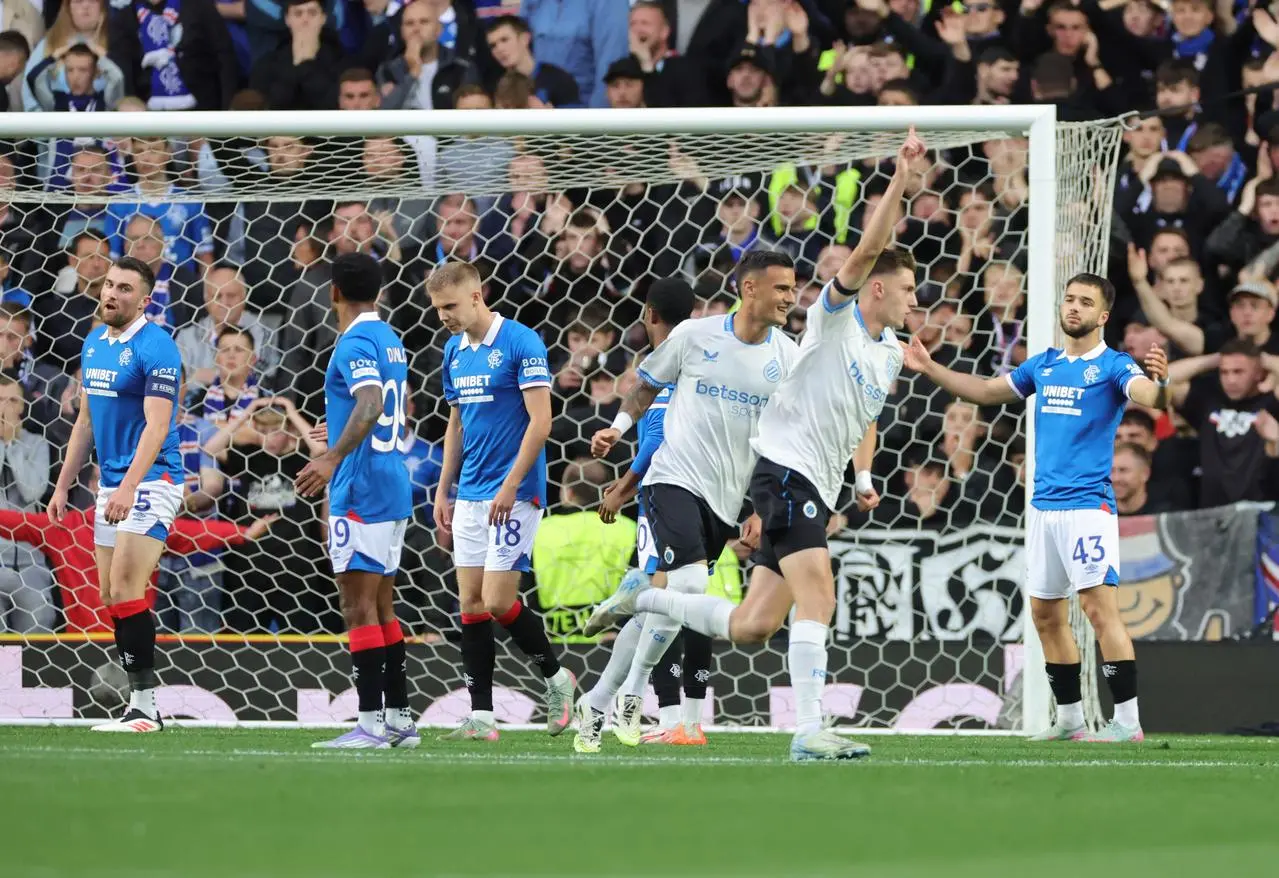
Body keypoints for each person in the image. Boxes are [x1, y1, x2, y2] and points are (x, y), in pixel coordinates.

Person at [584, 131, 924, 762]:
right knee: (819, 590)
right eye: (907, 289)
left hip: (806, 482)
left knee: (754, 624)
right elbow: (870, 246)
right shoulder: (832, 320)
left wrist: (864, 476)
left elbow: (863, 420)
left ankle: (644, 597)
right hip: (784, 473)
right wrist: (900, 179)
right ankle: (809, 730)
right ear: (875, 288)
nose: (915, 300)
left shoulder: (889, 356)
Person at [902, 272, 1172, 743]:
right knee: (1046, 615)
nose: (1073, 307)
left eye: (1085, 302)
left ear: (1102, 316)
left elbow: (1147, 397)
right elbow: (986, 392)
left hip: (1088, 507)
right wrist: (930, 368)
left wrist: (1161, 385)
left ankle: (1127, 721)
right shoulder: (1043, 365)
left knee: (1098, 609)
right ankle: (1070, 720)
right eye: (1069, 298)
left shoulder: (1113, 366)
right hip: (1043, 508)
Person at [577, 250, 801, 754]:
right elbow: (646, 386)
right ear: (750, 289)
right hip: (672, 478)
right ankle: (633, 693)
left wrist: (762, 508)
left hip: (724, 501)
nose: (791, 297)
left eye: (793, 288)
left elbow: (783, 439)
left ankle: (600, 696)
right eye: (782, 288)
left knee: (675, 599)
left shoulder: (786, 358)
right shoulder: (694, 336)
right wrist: (616, 429)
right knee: (691, 583)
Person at [428, 260, 575, 742]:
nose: (444, 316)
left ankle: (558, 680)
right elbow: (456, 423)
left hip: (516, 494)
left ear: (477, 296)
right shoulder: (453, 351)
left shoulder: (521, 342)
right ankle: (483, 718)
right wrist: (444, 488)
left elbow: (542, 422)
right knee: (470, 605)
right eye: (437, 308)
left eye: (450, 306)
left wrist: (511, 485)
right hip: (469, 493)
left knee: (496, 601)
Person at [46, 256, 185, 733]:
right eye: (108, 284)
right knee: (111, 594)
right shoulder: (93, 343)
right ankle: (139, 703)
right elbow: (84, 422)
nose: (111, 293)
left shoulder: (157, 347)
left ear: (144, 300)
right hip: (111, 485)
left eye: (124, 288)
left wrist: (128, 486)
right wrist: (63, 485)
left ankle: (145, 707)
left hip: (153, 480)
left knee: (126, 587)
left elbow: (158, 425)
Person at [293, 252, 416, 750]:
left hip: (360, 489)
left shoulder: (353, 341)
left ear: (333, 293)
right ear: (380, 291)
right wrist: (339, 432)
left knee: (357, 605)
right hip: (392, 482)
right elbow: (378, 408)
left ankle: (369, 724)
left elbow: (371, 403)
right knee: (382, 606)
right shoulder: (389, 338)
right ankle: (400, 720)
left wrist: (331, 457)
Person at [583, 277, 709, 748]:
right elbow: (658, 436)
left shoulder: (668, 359)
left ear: (648, 314)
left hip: (671, 496)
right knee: (673, 597)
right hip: (690, 497)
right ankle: (636, 704)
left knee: (668, 601)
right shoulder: (701, 353)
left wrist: (621, 487)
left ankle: (618, 698)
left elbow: (655, 437)